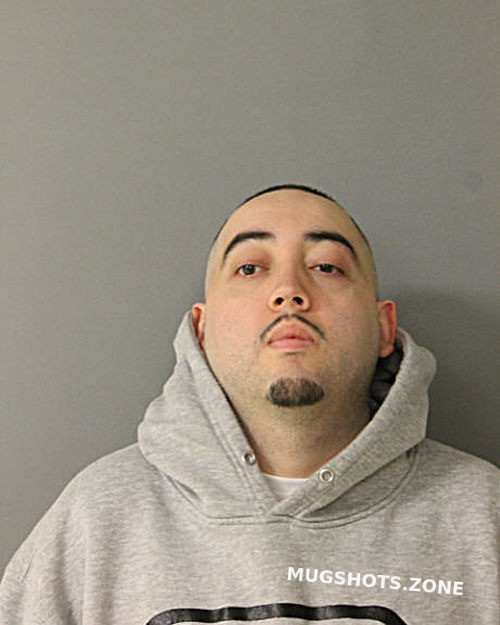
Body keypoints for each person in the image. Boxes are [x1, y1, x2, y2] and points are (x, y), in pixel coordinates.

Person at [0, 185, 497, 625]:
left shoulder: (484, 517)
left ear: (383, 327)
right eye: (250, 268)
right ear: (201, 329)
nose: (289, 292)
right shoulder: (95, 520)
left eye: (326, 266)